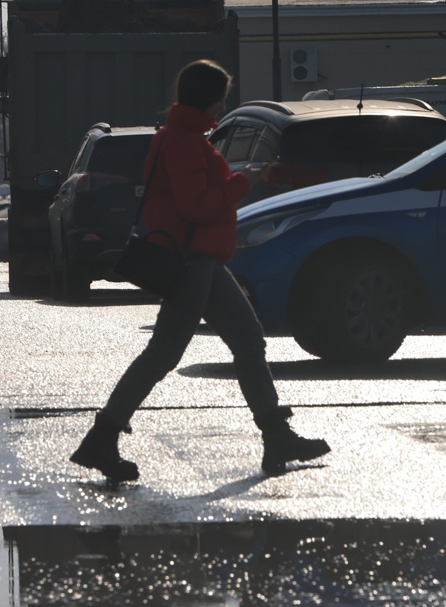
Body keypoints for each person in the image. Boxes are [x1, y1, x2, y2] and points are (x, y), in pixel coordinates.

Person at [70, 60, 330, 482]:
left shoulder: (183, 137)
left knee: (247, 339)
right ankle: (101, 437)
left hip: (201, 260)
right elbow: (198, 206)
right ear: (210, 97)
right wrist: (244, 182)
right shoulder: (185, 143)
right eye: (222, 96)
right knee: (165, 354)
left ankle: (276, 433)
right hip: (192, 262)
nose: (223, 103)